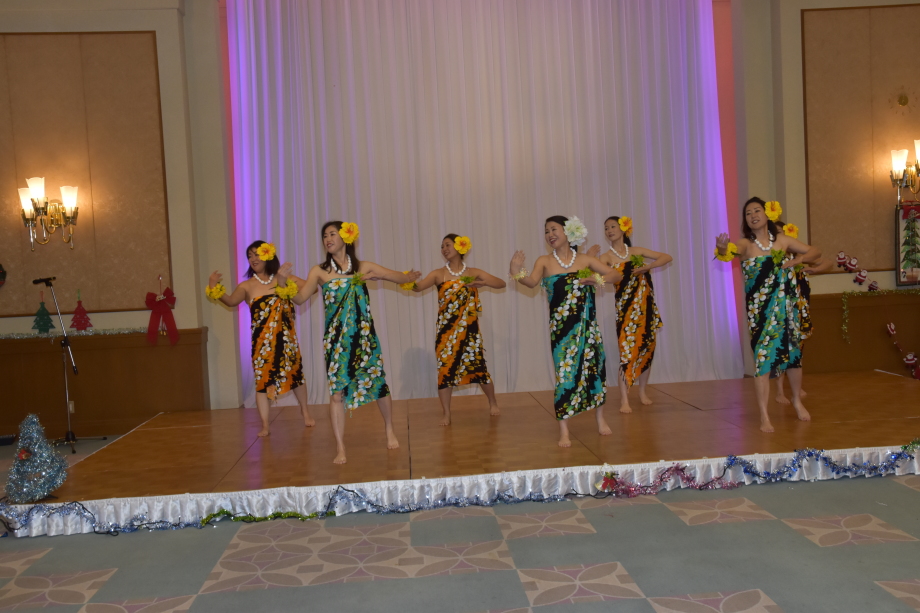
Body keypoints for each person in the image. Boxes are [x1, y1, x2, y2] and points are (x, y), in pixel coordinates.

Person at [286, 221, 420, 464]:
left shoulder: (362, 267)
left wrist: (396, 276)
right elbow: (300, 298)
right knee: (336, 393)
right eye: (324, 235)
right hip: (336, 343)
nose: (327, 238)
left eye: (332, 234)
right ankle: (340, 447)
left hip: (364, 339)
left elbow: (396, 277)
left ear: (346, 237)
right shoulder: (319, 271)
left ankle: (389, 428)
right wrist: (283, 282)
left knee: (378, 385)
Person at [509, 215, 622, 447]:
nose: (550, 234)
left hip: (587, 328)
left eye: (554, 229)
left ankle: (600, 418)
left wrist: (596, 278)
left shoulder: (585, 259)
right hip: (561, 332)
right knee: (564, 376)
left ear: (568, 232)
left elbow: (616, 275)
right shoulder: (544, 261)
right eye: (546, 231)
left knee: (594, 372)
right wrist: (516, 270)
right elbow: (531, 282)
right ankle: (564, 430)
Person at [715, 198, 821, 432]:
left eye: (757, 210)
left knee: (793, 358)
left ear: (767, 214)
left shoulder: (782, 240)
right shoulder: (746, 244)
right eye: (748, 213)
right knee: (762, 361)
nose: (753, 215)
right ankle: (764, 415)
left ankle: (796, 400)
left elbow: (815, 251)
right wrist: (722, 248)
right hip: (760, 314)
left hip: (786, 310)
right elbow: (729, 251)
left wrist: (799, 259)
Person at [206, 240, 312, 437]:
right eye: (249, 256)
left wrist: (289, 281)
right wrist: (213, 287)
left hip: (286, 340)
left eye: (257, 254)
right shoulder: (247, 286)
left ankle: (305, 412)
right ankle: (265, 425)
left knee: (296, 376)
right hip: (262, 344)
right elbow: (230, 301)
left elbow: (310, 289)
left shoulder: (284, 278)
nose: (253, 259)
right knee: (263, 382)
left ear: (268, 255)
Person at [412, 234, 506, 425]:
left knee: (479, 369)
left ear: (459, 247)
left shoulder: (472, 272)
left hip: (469, 332)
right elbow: (418, 287)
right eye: (442, 246)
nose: (444, 249)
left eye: (447, 245)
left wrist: (483, 283)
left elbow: (501, 283)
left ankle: (493, 401)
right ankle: (446, 413)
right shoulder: (438, 274)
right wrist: (406, 280)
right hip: (446, 333)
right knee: (445, 371)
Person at [588, 216, 672, 413]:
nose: (609, 230)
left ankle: (642, 392)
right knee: (626, 353)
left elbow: (666, 257)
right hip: (626, 312)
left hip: (646, 309)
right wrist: (590, 258)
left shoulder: (636, 252)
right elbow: (595, 276)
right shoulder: (607, 257)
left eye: (613, 226)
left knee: (646, 350)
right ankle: (624, 399)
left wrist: (648, 266)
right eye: (606, 228)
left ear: (623, 229)